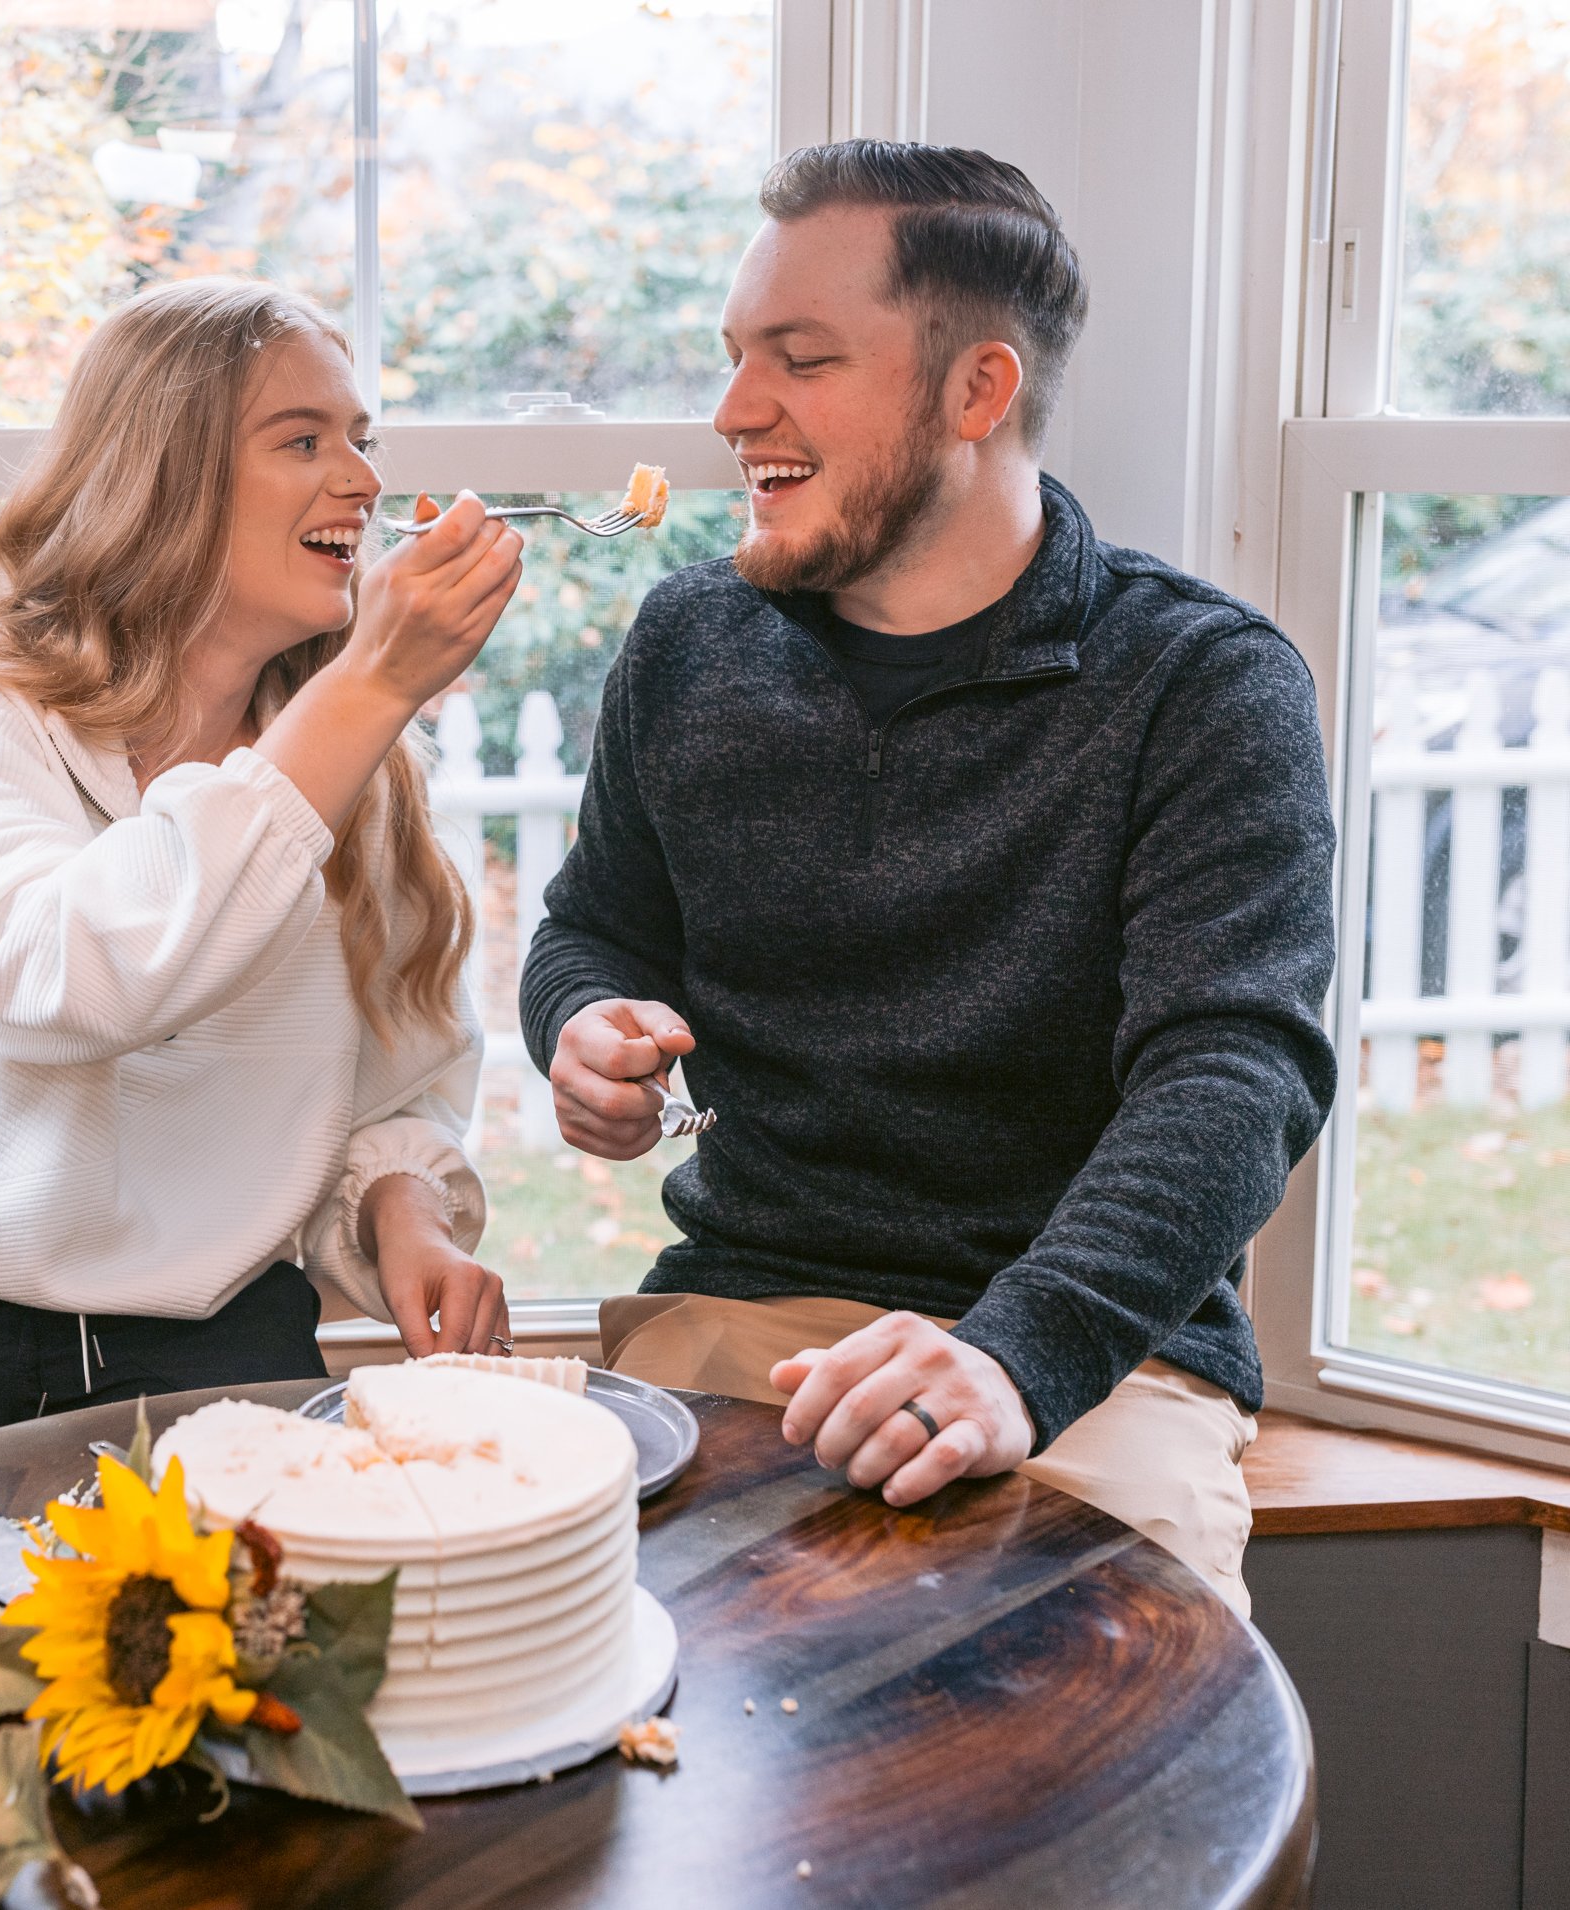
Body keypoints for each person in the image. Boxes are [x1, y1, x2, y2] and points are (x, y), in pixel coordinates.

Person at [520, 141, 1336, 1613]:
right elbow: (594, 929)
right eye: (734, 358)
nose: (734, 412)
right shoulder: (688, 644)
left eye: (803, 359)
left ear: (980, 390)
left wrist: (1017, 1352)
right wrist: (584, 1026)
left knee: (1100, 1753)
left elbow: (1234, 1072)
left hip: (1099, 1356)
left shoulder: (1205, 683)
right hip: (740, 1316)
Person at [0, 278, 526, 1520]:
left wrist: (403, 1208)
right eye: (303, 440)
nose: (363, 481)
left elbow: (396, 1080)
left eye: (363, 440)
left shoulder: (356, 774)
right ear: (163, 472)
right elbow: (69, 978)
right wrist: (368, 691)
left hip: (213, 1351)